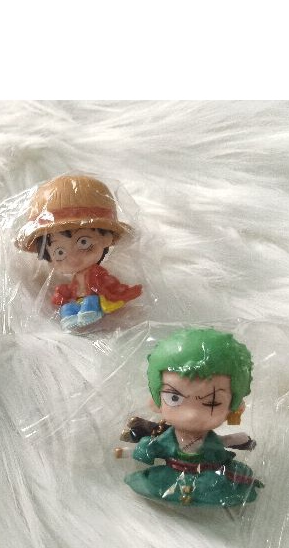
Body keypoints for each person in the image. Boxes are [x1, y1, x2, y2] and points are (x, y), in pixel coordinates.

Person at [124, 328, 262, 506]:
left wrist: (233, 440)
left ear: (235, 408)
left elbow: (221, 445)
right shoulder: (166, 439)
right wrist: (143, 449)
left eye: (212, 402)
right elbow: (154, 448)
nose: (191, 415)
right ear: (155, 402)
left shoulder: (212, 442)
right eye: (174, 398)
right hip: (169, 477)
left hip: (209, 481)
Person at [15, 175, 142, 331]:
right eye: (60, 253)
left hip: (96, 300)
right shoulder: (75, 279)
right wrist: (65, 293)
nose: (73, 259)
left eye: (84, 243)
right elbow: (71, 291)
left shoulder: (97, 274)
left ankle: (90, 312)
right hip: (79, 300)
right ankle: (71, 318)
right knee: (67, 308)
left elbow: (108, 284)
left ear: (106, 238)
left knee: (90, 302)